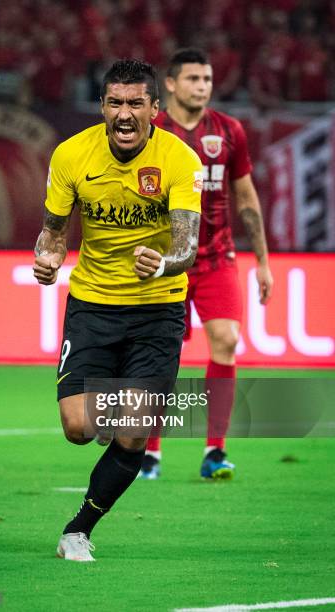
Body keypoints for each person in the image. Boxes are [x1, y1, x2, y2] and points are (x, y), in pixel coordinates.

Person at [32, 59, 202, 561]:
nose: (124, 115)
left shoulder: (180, 160)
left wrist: (163, 263)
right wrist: (48, 256)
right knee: (79, 429)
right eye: (114, 103)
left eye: (135, 104)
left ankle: (78, 529)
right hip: (93, 306)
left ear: (155, 108)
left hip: (158, 310)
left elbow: (187, 247)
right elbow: (54, 229)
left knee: (132, 431)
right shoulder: (71, 155)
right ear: (102, 105)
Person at [141, 48, 273, 480]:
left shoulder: (229, 130)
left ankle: (215, 450)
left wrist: (263, 262)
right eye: (194, 78)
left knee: (227, 340)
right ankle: (150, 454)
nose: (203, 86)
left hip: (217, 256)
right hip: (166, 260)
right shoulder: (152, 131)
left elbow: (247, 199)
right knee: (160, 354)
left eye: (208, 79)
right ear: (173, 84)